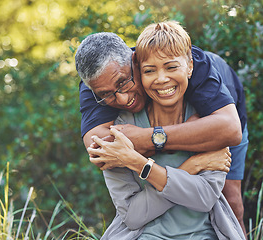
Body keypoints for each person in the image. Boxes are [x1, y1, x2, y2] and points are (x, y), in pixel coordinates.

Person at [75, 26, 248, 234]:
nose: (121, 99)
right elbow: (101, 152)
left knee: (231, 200)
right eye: (107, 95)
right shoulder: (96, 85)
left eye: (123, 83)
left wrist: (142, 141)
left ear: (135, 61)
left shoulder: (197, 66)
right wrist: (191, 159)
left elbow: (229, 130)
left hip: (225, 105)